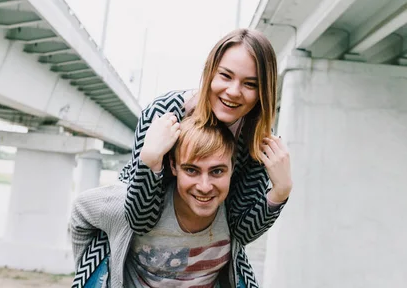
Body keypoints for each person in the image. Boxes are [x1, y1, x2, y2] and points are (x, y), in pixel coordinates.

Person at [72, 28, 292, 288]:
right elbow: (138, 218)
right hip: (139, 241)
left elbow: (240, 231)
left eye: (250, 84)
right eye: (225, 76)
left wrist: (279, 193)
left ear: (263, 91)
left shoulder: (256, 137)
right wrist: (150, 162)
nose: (234, 91)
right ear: (210, 72)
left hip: (206, 248)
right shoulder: (163, 113)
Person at [70, 115, 289, 287]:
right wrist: (90, 274)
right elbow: (81, 212)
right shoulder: (132, 205)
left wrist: (280, 191)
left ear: (232, 170)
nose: (204, 186)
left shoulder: (233, 214)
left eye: (217, 171)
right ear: (174, 166)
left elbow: (254, 226)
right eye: (191, 170)